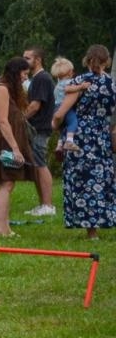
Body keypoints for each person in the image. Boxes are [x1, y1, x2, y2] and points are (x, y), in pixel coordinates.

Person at [52, 45, 116, 239]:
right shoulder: (111, 84)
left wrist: (55, 123)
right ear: (107, 61)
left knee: (83, 180)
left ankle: (91, 230)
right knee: (100, 178)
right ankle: (101, 221)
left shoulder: (80, 81)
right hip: (101, 135)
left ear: (87, 60)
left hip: (80, 135)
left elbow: (62, 112)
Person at [0, 56, 43, 238]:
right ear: (15, 73)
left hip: (9, 140)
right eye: (24, 74)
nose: (26, 77)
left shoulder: (8, 89)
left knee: (8, 184)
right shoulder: (1, 89)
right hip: (3, 142)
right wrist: (15, 149)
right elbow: (3, 121)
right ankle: (0, 229)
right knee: (6, 183)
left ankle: (5, 228)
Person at [22, 46, 58, 216]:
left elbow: (35, 105)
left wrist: (20, 119)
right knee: (36, 165)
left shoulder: (42, 78)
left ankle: (48, 205)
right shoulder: (36, 78)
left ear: (38, 60)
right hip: (36, 128)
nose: (25, 61)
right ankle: (42, 203)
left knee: (41, 165)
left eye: (28, 58)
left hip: (39, 128)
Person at [50, 56, 82, 155]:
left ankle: (59, 145)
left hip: (56, 108)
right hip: (65, 107)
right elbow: (69, 89)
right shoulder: (68, 82)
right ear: (69, 72)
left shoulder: (57, 85)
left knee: (63, 127)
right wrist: (81, 87)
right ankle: (69, 141)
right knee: (73, 122)